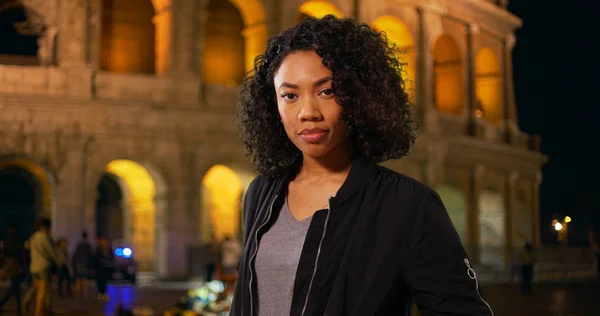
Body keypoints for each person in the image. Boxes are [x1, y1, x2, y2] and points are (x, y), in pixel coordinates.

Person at [230, 15, 494, 315]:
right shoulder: (261, 192)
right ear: (272, 105)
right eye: (289, 95)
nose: (307, 112)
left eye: (326, 91)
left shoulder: (408, 205)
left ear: (358, 96)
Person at [28, 218, 57, 316]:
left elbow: (28, 247)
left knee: (37, 289)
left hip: (34, 267)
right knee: (42, 291)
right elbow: (51, 252)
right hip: (43, 266)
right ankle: (38, 312)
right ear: (45, 227)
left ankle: (42, 309)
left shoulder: (33, 236)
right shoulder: (44, 237)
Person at [0, 224, 25, 315]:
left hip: (8, 265)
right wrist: (24, 265)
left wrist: (1, 267)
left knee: (16, 287)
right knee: (14, 287)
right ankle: (4, 304)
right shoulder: (18, 242)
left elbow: (2, 256)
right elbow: (22, 255)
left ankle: (19, 308)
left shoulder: (6, 241)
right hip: (16, 265)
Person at [72, 230, 93, 298]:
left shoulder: (79, 245)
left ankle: (77, 292)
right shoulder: (88, 245)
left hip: (78, 263)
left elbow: (75, 255)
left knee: (78, 278)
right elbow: (90, 256)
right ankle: (85, 293)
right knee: (84, 279)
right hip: (85, 264)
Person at [94, 236, 113, 301]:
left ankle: (104, 294)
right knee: (100, 281)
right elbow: (95, 259)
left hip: (107, 268)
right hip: (99, 268)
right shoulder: (98, 249)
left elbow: (112, 258)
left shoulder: (109, 249)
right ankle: (100, 294)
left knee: (105, 281)